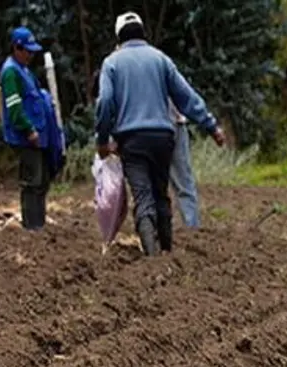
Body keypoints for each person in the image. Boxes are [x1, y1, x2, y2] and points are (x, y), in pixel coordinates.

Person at [94, 12, 225, 256]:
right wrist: (211, 126)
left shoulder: (111, 63)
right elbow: (186, 97)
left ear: (118, 37)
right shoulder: (161, 59)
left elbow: (105, 103)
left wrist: (102, 141)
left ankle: (152, 254)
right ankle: (166, 249)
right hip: (163, 138)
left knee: (142, 195)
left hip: (131, 140)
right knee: (160, 194)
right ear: (143, 32)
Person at [0, 26, 64, 230]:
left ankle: (39, 223)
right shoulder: (11, 72)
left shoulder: (24, 70)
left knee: (42, 181)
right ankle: (32, 226)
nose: (31, 55)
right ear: (17, 48)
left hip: (39, 136)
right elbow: (14, 107)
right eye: (28, 50)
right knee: (32, 182)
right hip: (26, 138)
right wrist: (29, 130)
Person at [168, 100, 201, 228]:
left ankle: (153, 232)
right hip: (173, 122)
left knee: (150, 185)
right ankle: (191, 228)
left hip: (143, 125)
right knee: (184, 184)